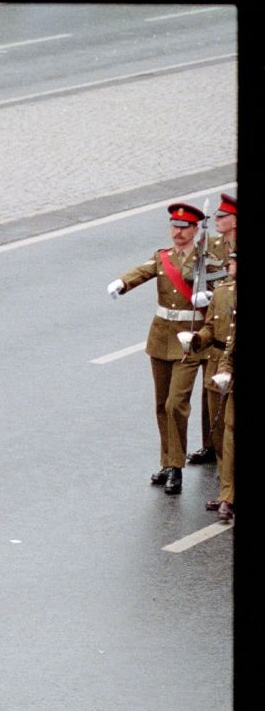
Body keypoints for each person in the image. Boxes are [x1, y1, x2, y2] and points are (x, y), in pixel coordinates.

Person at [108, 202, 225, 495]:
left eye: (184, 227)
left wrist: (208, 295)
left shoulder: (206, 260)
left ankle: (176, 468)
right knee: (161, 405)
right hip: (161, 338)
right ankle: (166, 461)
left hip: (191, 340)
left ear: (195, 230)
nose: (178, 232)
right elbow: (144, 271)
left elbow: (225, 288)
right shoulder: (163, 257)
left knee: (176, 404)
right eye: (174, 226)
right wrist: (123, 282)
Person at [189, 193, 236, 467]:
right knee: (210, 388)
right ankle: (211, 445)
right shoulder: (214, 244)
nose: (216, 220)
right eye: (216, 217)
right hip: (213, 322)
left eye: (222, 217)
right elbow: (200, 272)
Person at [198, 249, 237, 520]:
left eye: (233, 262)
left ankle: (228, 495)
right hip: (221, 367)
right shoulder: (222, 292)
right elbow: (211, 329)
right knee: (221, 431)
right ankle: (227, 492)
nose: (229, 265)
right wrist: (197, 339)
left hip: (228, 367)